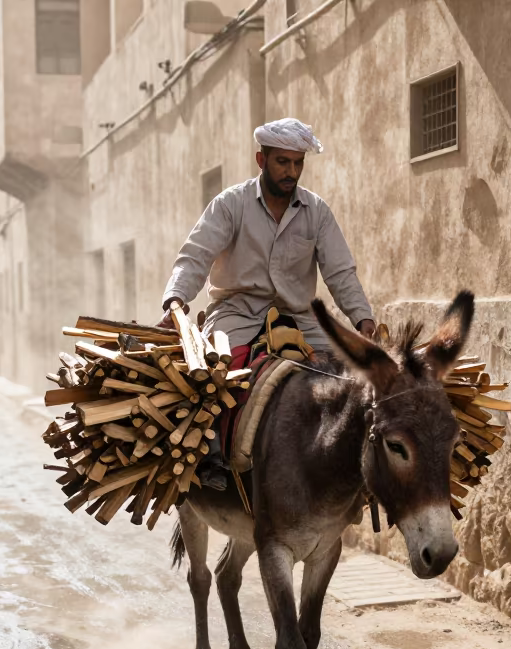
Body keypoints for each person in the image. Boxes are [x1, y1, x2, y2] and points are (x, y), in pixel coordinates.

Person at [157, 117, 376, 489]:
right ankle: (208, 457)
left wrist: (363, 321)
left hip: (299, 317)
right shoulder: (230, 204)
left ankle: (352, 468)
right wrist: (175, 300)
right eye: (282, 162)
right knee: (213, 373)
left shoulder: (317, 211)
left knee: (344, 375)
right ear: (262, 161)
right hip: (236, 311)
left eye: (298, 163)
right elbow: (195, 256)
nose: (291, 172)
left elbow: (340, 272)